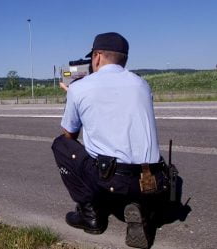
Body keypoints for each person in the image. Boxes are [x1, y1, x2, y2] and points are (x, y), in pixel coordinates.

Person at [52, 32, 168, 248]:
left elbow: (69, 135)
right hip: (152, 177)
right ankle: (140, 205)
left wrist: (73, 96)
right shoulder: (142, 84)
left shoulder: (79, 88)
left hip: (114, 178)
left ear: (96, 57)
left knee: (60, 146)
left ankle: (90, 215)